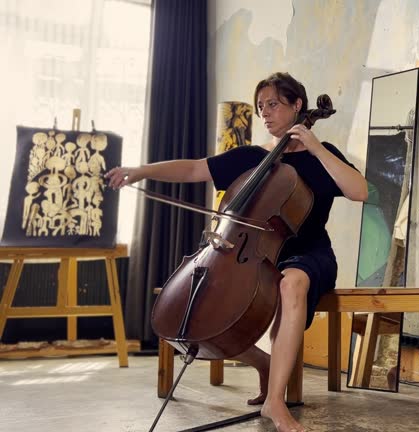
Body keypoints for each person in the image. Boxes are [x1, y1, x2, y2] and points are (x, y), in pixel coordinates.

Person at [106, 72, 368, 432]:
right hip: (251, 255)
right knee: (206, 310)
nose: (265, 114)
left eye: (273, 104)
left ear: (297, 106)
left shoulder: (323, 158)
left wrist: (316, 145)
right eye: (261, 107)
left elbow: (360, 191)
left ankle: (275, 402)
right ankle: (263, 364)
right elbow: (196, 168)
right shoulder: (253, 158)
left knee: (291, 286)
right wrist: (140, 171)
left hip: (306, 252)